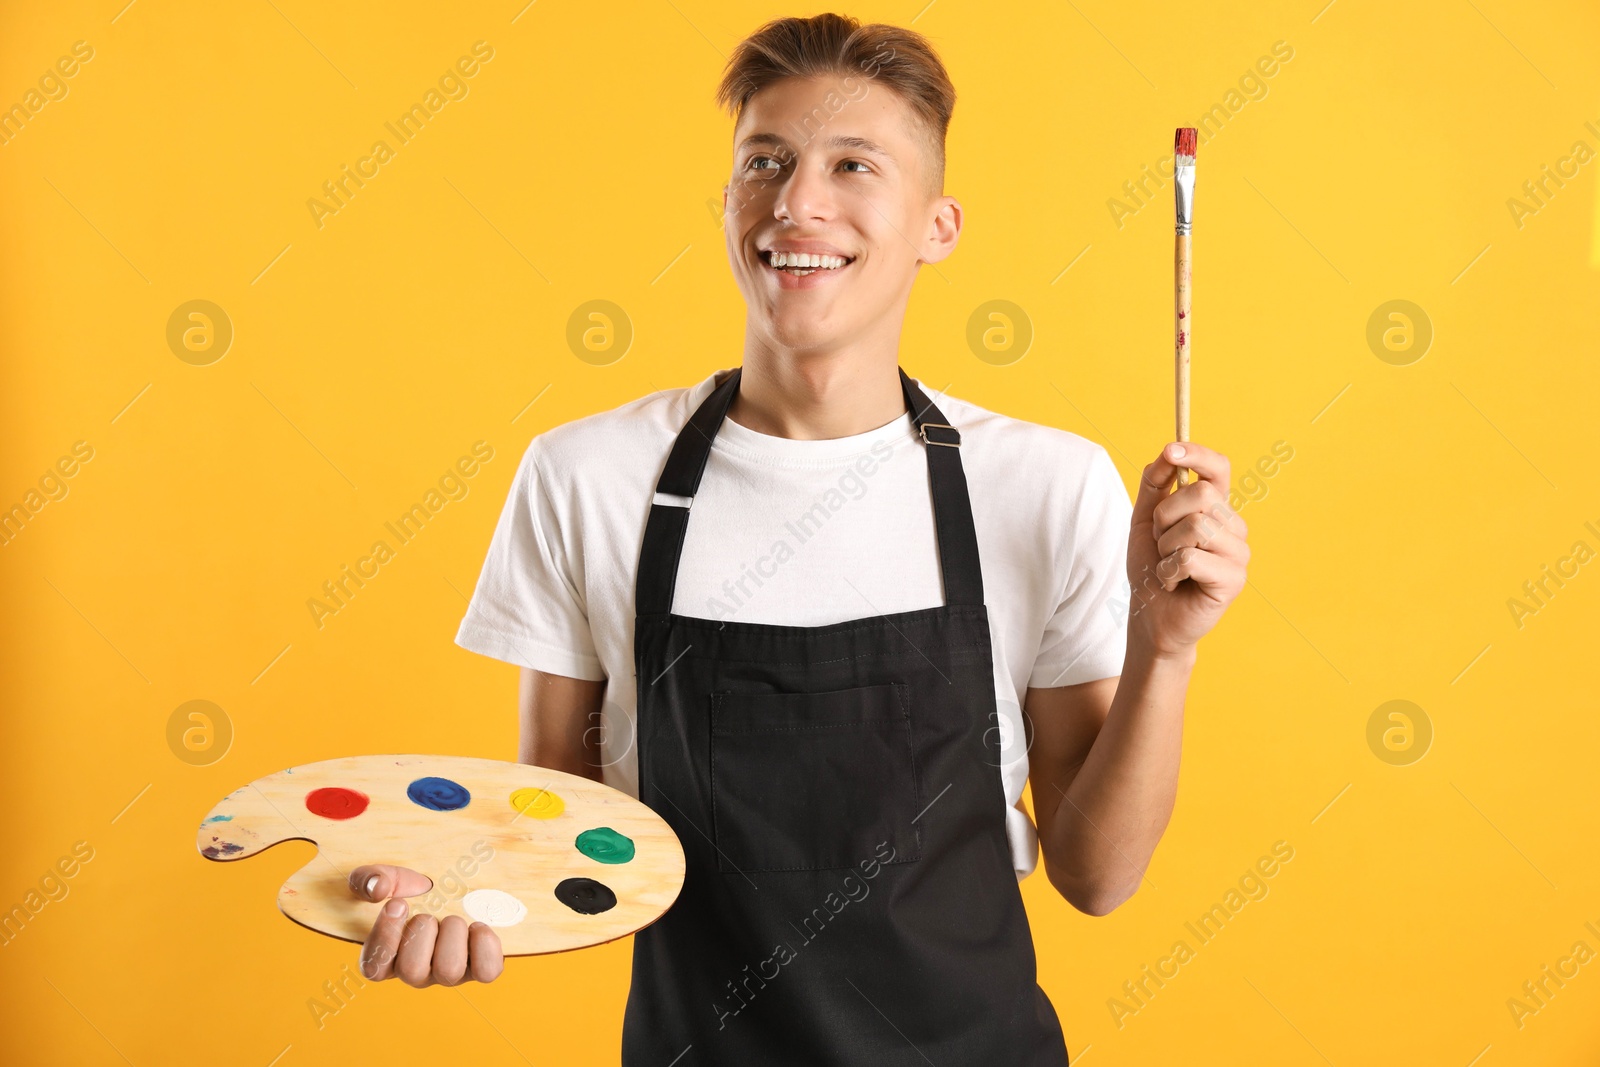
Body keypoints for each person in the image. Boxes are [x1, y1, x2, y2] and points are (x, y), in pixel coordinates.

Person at [345, 12, 1249, 1064]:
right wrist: (457, 889)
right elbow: (558, 822)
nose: (796, 201)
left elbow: (1096, 876)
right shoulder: (584, 476)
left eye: (852, 163)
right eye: (763, 162)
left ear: (937, 226)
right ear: (726, 201)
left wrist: (1165, 646)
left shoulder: (1044, 483)